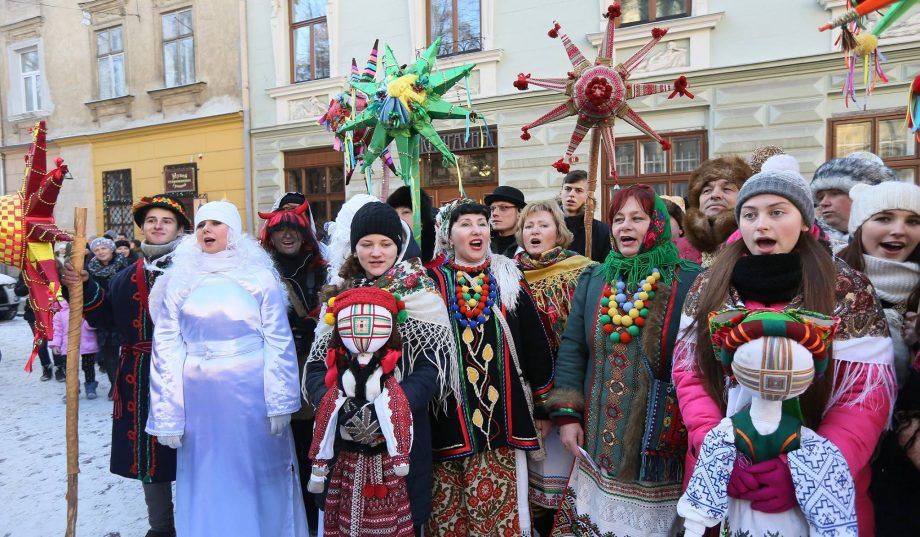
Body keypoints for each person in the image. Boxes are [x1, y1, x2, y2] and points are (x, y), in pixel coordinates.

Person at [673, 170, 895, 536]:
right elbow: (691, 375)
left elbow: (863, 397)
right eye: (750, 214)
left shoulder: (846, 287)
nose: (762, 224)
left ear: (804, 222)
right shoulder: (709, 283)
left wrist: (803, 473)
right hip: (724, 480)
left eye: (777, 212)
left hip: (822, 480)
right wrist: (720, 450)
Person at [145, 200, 307, 536]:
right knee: (208, 474)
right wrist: (167, 414)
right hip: (200, 397)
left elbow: (278, 341)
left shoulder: (259, 277)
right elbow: (167, 349)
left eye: (216, 224)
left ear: (232, 231)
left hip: (254, 395)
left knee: (257, 471)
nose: (207, 230)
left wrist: (280, 401)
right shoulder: (179, 280)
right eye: (202, 225)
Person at [550, 185, 700, 537]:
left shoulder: (690, 281)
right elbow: (573, 348)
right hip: (598, 437)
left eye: (637, 218)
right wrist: (568, 415)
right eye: (618, 219)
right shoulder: (595, 278)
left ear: (658, 225)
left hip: (659, 445)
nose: (625, 227)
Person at [304, 199, 455, 536]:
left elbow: (432, 369)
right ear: (354, 248)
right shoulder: (340, 296)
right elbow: (316, 365)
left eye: (385, 244)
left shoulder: (421, 294)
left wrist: (387, 407)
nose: (376, 252)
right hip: (342, 437)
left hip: (401, 433)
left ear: (399, 246)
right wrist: (337, 407)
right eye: (366, 244)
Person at [62, 194, 190, 537]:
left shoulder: (198, 269)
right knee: (150, 454)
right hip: (139, 375)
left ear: (179, 228)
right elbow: (104, 317)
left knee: (195, 451)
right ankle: (161, 526)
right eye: (151, 221)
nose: (157, 226)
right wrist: (84, 288)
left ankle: (198, 520)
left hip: (191, 375)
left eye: (166, 220)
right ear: (143, 228)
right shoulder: (125, 276)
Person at [426, 199, 554, 536]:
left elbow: (534, 342)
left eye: (482, 223)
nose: (477, 230)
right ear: (449, 235)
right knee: (449, 517)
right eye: (466, 224)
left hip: (503, 418)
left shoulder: (506, 274)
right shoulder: (430, 281)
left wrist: (543, 405)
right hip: (447, 418)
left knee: (501, 519)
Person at [834, 182, 920, 535]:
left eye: (913, 221)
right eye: (884, 218)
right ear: (859, 227)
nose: (898, 230)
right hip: (840, 457)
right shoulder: (827, 284)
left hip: (904, 473)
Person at [513, 200, 594, 536]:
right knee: (533, 483)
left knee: (567, 478)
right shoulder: (507, 273)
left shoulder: (583, 271)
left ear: (559, 232)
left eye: (543, 225)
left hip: (569, 386)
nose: (535, 232)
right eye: (529, 226)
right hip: (526, 390)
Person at [259, 197, 327, 535]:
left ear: (306, 234)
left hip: (315, 370)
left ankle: (313, 518)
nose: (288, 235)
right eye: (280, 229)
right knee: (276, 450)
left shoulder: (322, 268)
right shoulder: (257, 270)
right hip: (272, 373)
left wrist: (316, 328)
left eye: (294, 229)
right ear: (270, 235)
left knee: (312, 446)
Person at [683, 156, 753, 267]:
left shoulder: (753, 246)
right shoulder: (679, 251)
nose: (715, 195)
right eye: (707, 190)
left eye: (726, 189)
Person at [811, 152, 896, 243]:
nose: (823, 203)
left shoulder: (896, 239)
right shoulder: (810, 241)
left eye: (835, 193)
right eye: (820, 197)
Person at [86, 236, 131, 394]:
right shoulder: (89, 269)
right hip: (103, 315)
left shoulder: (126, 265)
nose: (100, 252)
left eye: (104, 248)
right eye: (97, 250)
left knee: (128, 351)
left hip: (125, 313)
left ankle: (129, 382)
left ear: (112, 249)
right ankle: (115, 385)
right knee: (109, 354)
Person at [50, 295, 100, 400]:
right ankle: (72, 389)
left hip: (87, 343)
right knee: (69, 368)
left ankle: (90, 386)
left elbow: (94, 324)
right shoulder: (60, 313)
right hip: (67, 345)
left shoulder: (86, 308)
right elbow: (57, 331)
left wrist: (88, 320)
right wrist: (55, 344)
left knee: (88, 366)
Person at [558, 169, 612, 263]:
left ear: (589, 196)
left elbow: (606, 268)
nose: (571, 194)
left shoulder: (601, 231)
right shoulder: (548, 225)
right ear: (560, 193)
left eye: (578, 190)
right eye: (567, 189)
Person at [15, 272, 55, 380]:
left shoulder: (48, 266)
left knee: (55, 341)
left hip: (51, 312)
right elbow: (18, 291)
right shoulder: (25, 271)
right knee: (40, 342)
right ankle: (46, 367)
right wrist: (29, 282)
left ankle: (60, 367)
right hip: (33, 314)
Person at [387, 185, 438, 265]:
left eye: (406, 212)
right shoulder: (386, 250)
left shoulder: (437, 252)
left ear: (422, 219)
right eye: (394, 213)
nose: (399, 218)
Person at [485, 185, 527, 258]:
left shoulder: (527, 244)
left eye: (503, 208)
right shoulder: (485, 243)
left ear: (520, 212)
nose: (494, 213)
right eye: (492, 208)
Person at [661, 195, 702, 263]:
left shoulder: (695, 250)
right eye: (656, 219)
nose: (661, 222)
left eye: (666, 217)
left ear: (681, 228)